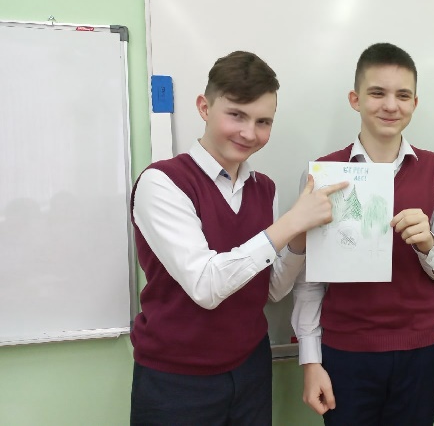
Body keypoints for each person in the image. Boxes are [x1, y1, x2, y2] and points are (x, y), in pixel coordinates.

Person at [129, 50, 346, 425]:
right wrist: (289, 223)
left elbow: (270, 290)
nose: (249, 133)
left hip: (251, 369)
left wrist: (299, 238)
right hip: (177, 379)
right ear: (204, 107)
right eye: (236, 115)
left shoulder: (264, 188)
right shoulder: (162, 182)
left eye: (263, 122)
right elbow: (206, 286)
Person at [291, 42, 434, 426]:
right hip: (345, 353)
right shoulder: (323, 174)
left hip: (418, 351)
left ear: (415, 103)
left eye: (402, 95)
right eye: (377, 93)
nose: (390, 105)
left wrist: (428, 244)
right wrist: (310, 361)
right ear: (355, 99)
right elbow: (309, 281)